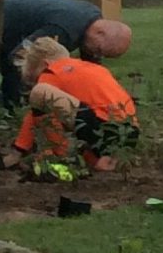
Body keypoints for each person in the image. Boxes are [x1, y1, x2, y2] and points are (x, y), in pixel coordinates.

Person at [0, 0, 132, 103]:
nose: (95, 55)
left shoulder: (92, 18)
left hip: (13, 32)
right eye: (99, 50)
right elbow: (21, 55)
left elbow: (90, 70)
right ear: (100, 32)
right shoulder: (64, 29)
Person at [12, 34, 140, 172]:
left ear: (45, 64)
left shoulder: (52, 72)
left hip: (101, 126)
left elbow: (34, 112)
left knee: (40, 93)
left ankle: (61, 158)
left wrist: (19, 148)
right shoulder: (91, 68)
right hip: (129, 130)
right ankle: (103, 159)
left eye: (35, 77)